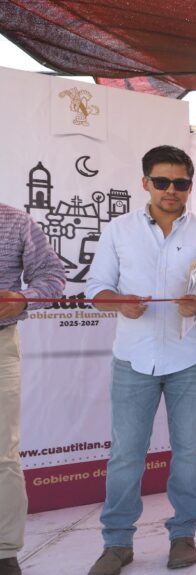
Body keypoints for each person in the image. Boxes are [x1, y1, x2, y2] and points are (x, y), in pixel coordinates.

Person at [85, 146, 196, 575]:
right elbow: (96, 288)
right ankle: (117, 543)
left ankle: (183, 534)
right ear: (145, 183)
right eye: (162, 181)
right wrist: (119, 303)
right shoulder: (119, 230)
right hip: (133, 359)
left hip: (192, 358)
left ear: (190, 185)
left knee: (189, 452)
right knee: (126, 455)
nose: (171, 190)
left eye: (180, 183)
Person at [0, 203, 65, 575]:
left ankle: (3, 552)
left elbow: (51, 274)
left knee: (2, 453)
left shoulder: (14, 220)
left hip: (0, 344)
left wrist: (23, 298)